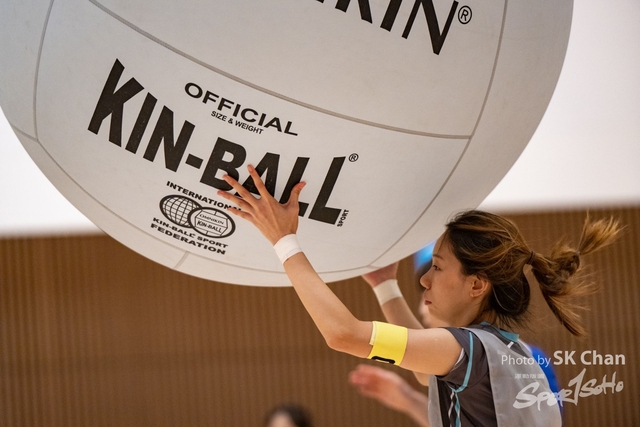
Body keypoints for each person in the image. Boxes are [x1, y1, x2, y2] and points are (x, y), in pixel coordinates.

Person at [217, 165, 620, 427]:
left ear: (477, 284)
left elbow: (343, 334)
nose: (425, 280)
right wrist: (385, 285)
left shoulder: (470, 348)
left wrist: (283, 240)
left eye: (438, 267)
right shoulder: (511, 352)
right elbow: (425, 369)